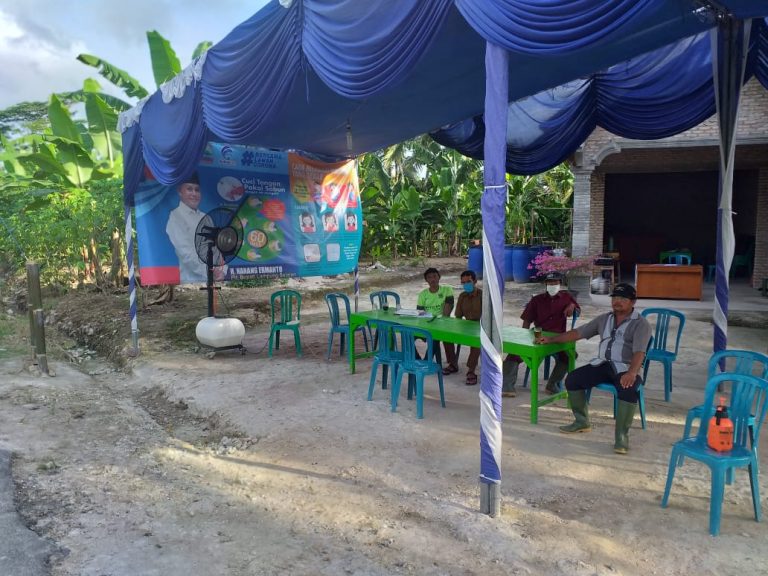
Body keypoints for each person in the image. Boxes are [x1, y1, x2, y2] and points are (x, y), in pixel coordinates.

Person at [536, 283, 651, 454]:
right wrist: (552, 340)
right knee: (573, 379)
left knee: (629, 389)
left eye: (623, 299)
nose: (617, 301)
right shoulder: (604, 319)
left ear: (633, 302)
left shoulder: (641, 324)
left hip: (625, 367)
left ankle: (621, 436)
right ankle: (582, 422)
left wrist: (632, 373)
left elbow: (640, 352)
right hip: (602, 364)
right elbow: (578, 333)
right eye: (615, 298)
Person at [502, 272, 579, 397]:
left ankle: (552, 385)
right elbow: (527, 319)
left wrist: (572, 305)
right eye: (550, 282)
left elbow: (577, 307)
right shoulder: (537, 300)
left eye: (555, 282)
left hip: (557, 337)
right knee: (516, 352)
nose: (553, 285)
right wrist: (523, 337)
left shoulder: (566, 297)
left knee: (570, 355)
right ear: (546, 284)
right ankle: (507, 385)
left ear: (560, 283)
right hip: (538, 333)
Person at [166, 173, 207, 284]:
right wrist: (209, 271)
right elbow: (186, 253)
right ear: (180, 191)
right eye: (189, 189)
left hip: (214, 279)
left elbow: (216, 247)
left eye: (197, 190)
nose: (194, 193)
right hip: (191, 282)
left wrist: (221, 270)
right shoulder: (175, 216)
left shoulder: (205, 217)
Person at [416, 267, 458, 371]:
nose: (432, 279)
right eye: (429, 277)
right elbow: (420, 312)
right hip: (427, 322)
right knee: (408, 335)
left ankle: (449, 363)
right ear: (426, 280)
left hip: (443, 322)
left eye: (435, 276)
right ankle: (417, 359)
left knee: (439, 336)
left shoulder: (447, 290)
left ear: (439, 277)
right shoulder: (423, 294)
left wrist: (440, 321)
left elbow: (448, 308)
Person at [454, 269, 482, 385]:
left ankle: (471, 370)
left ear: (475, 281)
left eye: (468, 282)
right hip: (466, 326)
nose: (466, 285)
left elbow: (487, 317)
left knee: (477, 341)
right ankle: (452, 363)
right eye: (463, 283)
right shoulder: (462, 296)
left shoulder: (482, 295)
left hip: (479, 327)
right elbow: (458, 315)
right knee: (446, 338)